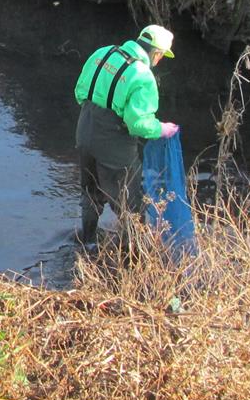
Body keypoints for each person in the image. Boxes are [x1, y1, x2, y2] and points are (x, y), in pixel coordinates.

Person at [73, 23, 179, 243]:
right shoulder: (143, 75)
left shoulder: (103, 52)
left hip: (85, 129)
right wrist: (162, 129)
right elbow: (137, 124)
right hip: (114, 143)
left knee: (90, 192)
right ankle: (134, 259)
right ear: (156, 53)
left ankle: (88, 242)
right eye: (161, 57)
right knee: (129, 203)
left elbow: (80, 92)